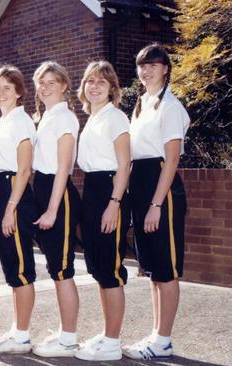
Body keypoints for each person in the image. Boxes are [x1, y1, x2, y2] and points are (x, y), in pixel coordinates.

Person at [123, 43, 189, 361]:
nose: (146, 70)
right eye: (141, 65)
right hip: (141, 183)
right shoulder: (141, 105)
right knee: (152, 271)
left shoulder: (170, 107)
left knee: (167, 269)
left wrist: (156, 204)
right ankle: (156, 333)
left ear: (165, 68)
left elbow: (172, 159)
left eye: (153, 64)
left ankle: (164, 340)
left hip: (162, 189)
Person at [74, 61, 130, 361]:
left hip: (110, 191)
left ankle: (113, 342)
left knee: (111, 268)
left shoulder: (115, 118)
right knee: (97, 268)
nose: (94, 86)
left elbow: (124, 165)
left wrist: (114, 204)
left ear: (112, 89)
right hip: (92, 190)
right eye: (90, 81)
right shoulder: (92, 119)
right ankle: (108, 333)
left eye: (101, 82)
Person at [30, 61, 81, 358]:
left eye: (52, 82)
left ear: (64, 86)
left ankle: (70, 338)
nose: (45, 86)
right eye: (41, 82)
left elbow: (64, 168)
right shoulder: (46, 117)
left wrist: (51, 210)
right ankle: (65, 332)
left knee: (63, 270)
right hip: (43, 190)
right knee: (55, 268)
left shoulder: (65, 118)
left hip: (57, 195)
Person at [0, 65, 37, 354]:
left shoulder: (20, 121)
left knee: (21, 267)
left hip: (13, 193)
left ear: (19, 92)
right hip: (1, 191)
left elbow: (25, 168)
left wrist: (10, 209)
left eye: (7, 87)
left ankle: (23, 334)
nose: (1, 92)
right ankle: (17, 331)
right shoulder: (3, 122)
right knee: (11, 268)